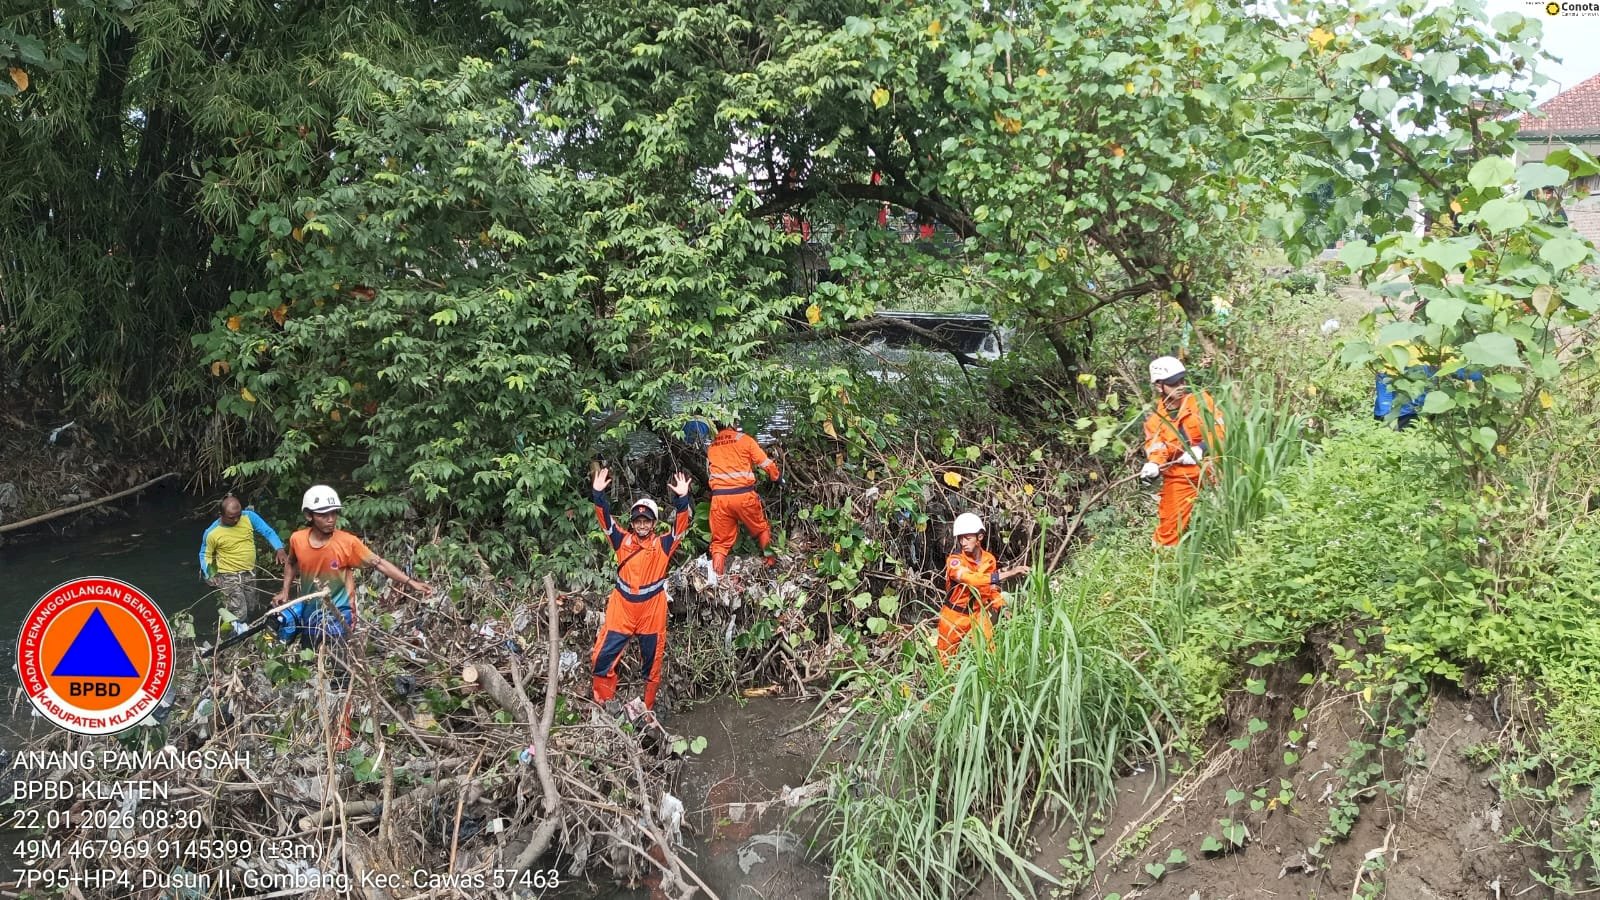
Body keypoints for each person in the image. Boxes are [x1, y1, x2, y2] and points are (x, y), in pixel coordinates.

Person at [270, 484, 433, 643]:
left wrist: (411, 583)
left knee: (337, 661)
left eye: (334, 514)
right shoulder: (297, 539)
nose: (330, 519)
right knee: (311, 656)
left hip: (341, 613)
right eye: (323, 515)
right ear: (309, 516)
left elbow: (379, 563)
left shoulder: (348, 542)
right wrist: (285, 591)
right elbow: (291, 562)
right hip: (310, 611)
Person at [590, 466, 692, 715]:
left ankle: (646, 710)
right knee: (601, 659)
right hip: (622, 608)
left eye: (647, 520)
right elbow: (605, 521)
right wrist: (598, 495)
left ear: (654, 523)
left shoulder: (663, 544)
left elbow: (680, 525)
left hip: (651, 611)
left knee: (652, 665)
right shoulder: (621, 541)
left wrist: (682, 498)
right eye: (638, 520)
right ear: (632, 522)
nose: (642, 524)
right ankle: (604, 704)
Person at [1139, 356, 1226, 547]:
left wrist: (1201, 448)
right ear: (1159, 386)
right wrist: (1153, 464)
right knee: (1169, 526)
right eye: (1173, 383)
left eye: (1182, 381)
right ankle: (1164, 561)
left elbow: (1219, 430)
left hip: (1213, 466)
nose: (1181, 387)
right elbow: (1157, 447)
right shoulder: (1155, 421)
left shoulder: (1201, 401)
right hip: (1180, 474)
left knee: (1229, 513)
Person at [938, 513, 1029, 661]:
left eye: (968, 538)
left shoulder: (989, 560)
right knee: (947, 658)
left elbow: (991, 589)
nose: (963, 542)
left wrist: (1002, 607)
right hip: (954, 615)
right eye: (960, 538)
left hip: (978, 613)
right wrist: (1009, 573)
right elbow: (972, 580)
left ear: (979, 537)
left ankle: (994, 682)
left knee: (990, 654)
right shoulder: (955, 561)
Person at [705, 412, 781, 576]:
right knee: (761, 528)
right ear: (733, 422)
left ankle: (717, 578)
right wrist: (777, 477)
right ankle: (770, 561)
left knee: (720, 543)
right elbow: (765, 463)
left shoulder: (712, 446)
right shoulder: (744, 440)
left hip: (720, 500)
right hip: (743, 496)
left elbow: (710, 473)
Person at [199, 494, 289, 632]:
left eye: (238, 515)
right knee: (239, 613)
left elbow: (268, 531)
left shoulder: (249, 517)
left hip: (250, 572)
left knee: (251, 607)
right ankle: (236, 641)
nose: (236, 519)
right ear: (221, 515)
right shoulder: (212, 533)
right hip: (228, 576)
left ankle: (246, 633)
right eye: (231, 517)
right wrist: (209, 573)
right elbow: (205, 555)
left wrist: (279, 548)